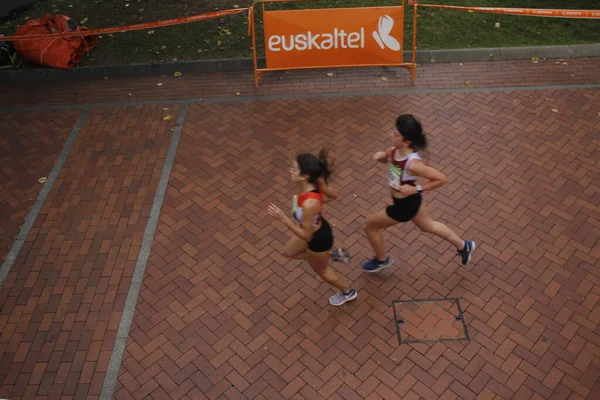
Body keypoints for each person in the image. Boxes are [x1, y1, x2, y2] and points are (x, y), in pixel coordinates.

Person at [362, 114, 476, 272]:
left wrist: (415, 189)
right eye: (393, 131)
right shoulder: (394, 150)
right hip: (411, 201)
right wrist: (382, 157)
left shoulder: (414, 164)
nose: (391, 135)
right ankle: (464, 246)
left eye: (396, 134)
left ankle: (381, 260)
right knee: (429, 226)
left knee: (369, 226)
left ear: (407, 141)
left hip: (404, 206)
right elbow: (390, 163)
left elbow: (441, 179)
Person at [267, 149, 356, 306]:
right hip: (311, 230)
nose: (290, 170)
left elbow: (307, 237)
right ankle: (331, 255)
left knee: (322, 271)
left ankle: (348, 292)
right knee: (288, 252)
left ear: (304, 176)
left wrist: (284, 219)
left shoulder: (310, 203)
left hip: (317, 239)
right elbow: (334, 196)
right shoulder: (313, 184)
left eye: (294, 169)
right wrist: (318, 205)